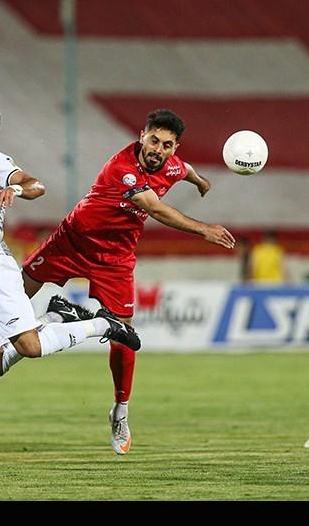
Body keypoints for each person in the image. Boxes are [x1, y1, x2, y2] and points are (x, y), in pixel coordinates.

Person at [21, 109, 235, 454]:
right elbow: (157, 209)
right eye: (153, 140)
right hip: (73, 241)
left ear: (174, 148)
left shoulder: (172, 164)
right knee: (19, 291)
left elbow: (185, 169)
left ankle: (120, 411)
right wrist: (204, 229)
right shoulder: (123, 169)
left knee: (124, 335)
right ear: (141, 136)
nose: (158, 150)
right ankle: (7, 333)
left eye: (166, 145)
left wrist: (200, 182)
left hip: (115, 258)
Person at [0, 97, 140, 388]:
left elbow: (35, 185)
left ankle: (105, 324)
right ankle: (57, 316)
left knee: (30, 346)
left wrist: (14, 189)